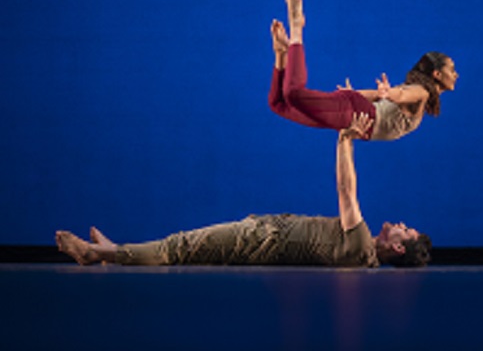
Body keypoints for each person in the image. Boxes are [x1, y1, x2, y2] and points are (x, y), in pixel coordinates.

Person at [56, 114, 432, 268]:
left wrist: (345, 139)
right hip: (265, 232)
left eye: (406, 230)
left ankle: (97, 254)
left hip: (260, 240)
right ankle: (112, 252)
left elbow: (346, 190)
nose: (401, 223)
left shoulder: (362, 244)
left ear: (398, 247)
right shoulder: (363, 257)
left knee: (180, 246)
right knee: (183, 246)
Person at [269, 0, 459, 141]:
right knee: (293, 94)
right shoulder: (422, 92)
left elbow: (378, 96)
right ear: (436, 74)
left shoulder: (420, 98)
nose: (456, 74)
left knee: (278, 104)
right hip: (356, 114)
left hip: (353, 113)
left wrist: (353, 94)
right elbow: (401, 95)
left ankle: (281, 54)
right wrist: (389, 93)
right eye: (451, 69)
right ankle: (296, 30)